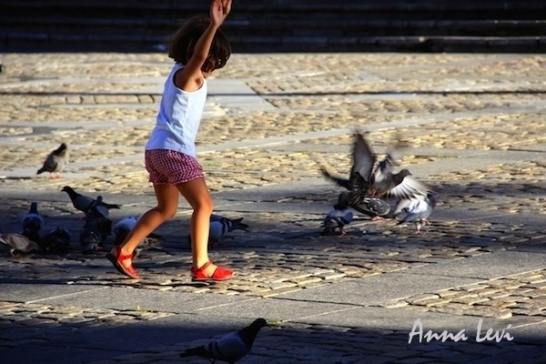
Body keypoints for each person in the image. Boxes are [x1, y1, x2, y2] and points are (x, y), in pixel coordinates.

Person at [107, 0, 234, 281]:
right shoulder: (190, 75)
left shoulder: (176, 74)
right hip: (174, 153)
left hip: (157, 150)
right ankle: (201, 265)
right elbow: (199, 58)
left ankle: (124, 251)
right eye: (216, 60)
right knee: (205, 206)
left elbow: (199, 58)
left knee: (167, 209)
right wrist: (214, 26)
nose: (214, 67)